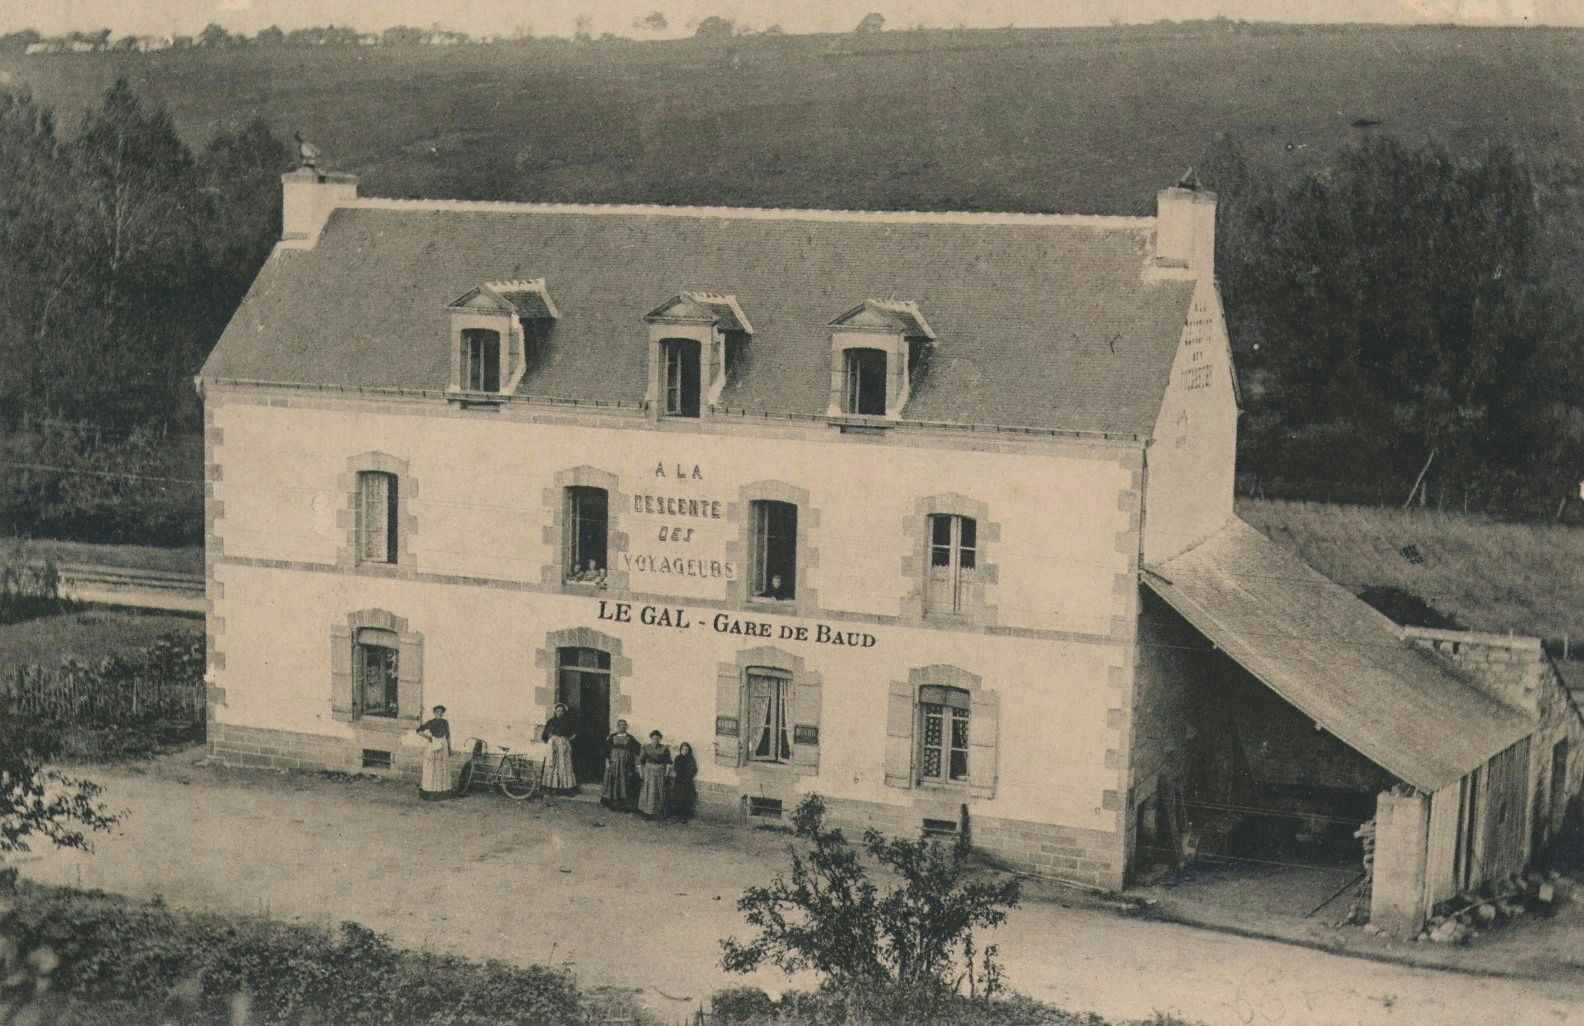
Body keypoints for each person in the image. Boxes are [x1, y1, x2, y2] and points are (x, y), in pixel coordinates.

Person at [602, 719, 641, 809]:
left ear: (626, 727)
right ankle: (613, 802)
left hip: (625, 765)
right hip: (614, 763)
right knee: (613, 780)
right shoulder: (612, 737)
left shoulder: (630, 738)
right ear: (617, 726)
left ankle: (623, 804)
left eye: (624, 725)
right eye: (620, 725)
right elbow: (606, 751)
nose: (622, 726)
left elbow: (638, 749)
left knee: (624, 781)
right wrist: (607, 763)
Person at [540, 703, 578, 794]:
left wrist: (568, 739)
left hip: (563, 746)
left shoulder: (568, 722)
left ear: (564, 712)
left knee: (564, 766)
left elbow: (575, 733)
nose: (560, 712)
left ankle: (564, 788)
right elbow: (544, 734)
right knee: (552, 766)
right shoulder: (551, 721)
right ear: (555, 712)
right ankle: (552, 787)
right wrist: (549, 737)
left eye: (562, 711)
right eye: (558, 711)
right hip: (553, 747)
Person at [416, 705, 451, 801]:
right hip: (432, 746)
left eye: (441, 712)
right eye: (437, 712)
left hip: (442, 747)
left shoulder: (445, 722)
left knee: (441, 768)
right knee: (431, 767)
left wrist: (449, 748)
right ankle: (429, 790)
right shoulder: (430, 722)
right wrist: (429, 738)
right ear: (434, 713)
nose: (439, 714)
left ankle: (440, 791)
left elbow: (447, 736)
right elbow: (418, 730)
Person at [637, 730, 671, 819]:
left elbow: (668, 762)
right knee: (648, 791)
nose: (655, 740)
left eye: (657, 738)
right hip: (648, 772)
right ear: (651, 739)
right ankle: (646, 812)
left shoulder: (664, 749)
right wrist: (641, 773)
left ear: (659, 739)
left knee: (658, 791)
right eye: (653, 738)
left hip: (659, 771)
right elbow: (640, 761)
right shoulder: (645, 748)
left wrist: (666, 773)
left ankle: (658, 813)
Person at [664, 741, 698, 822]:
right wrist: (681, 774)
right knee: (677, 798)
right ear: (681, 749)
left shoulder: (691, 759)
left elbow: (694, 769)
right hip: (679, 781)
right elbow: (676, 768)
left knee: (686, 799)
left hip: (687, 782)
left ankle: (684, 816)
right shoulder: (678, 758)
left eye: (687, 750)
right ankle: (677, 815)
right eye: (683, 749)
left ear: (689, 751)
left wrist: (688, 775)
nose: (685, 751)